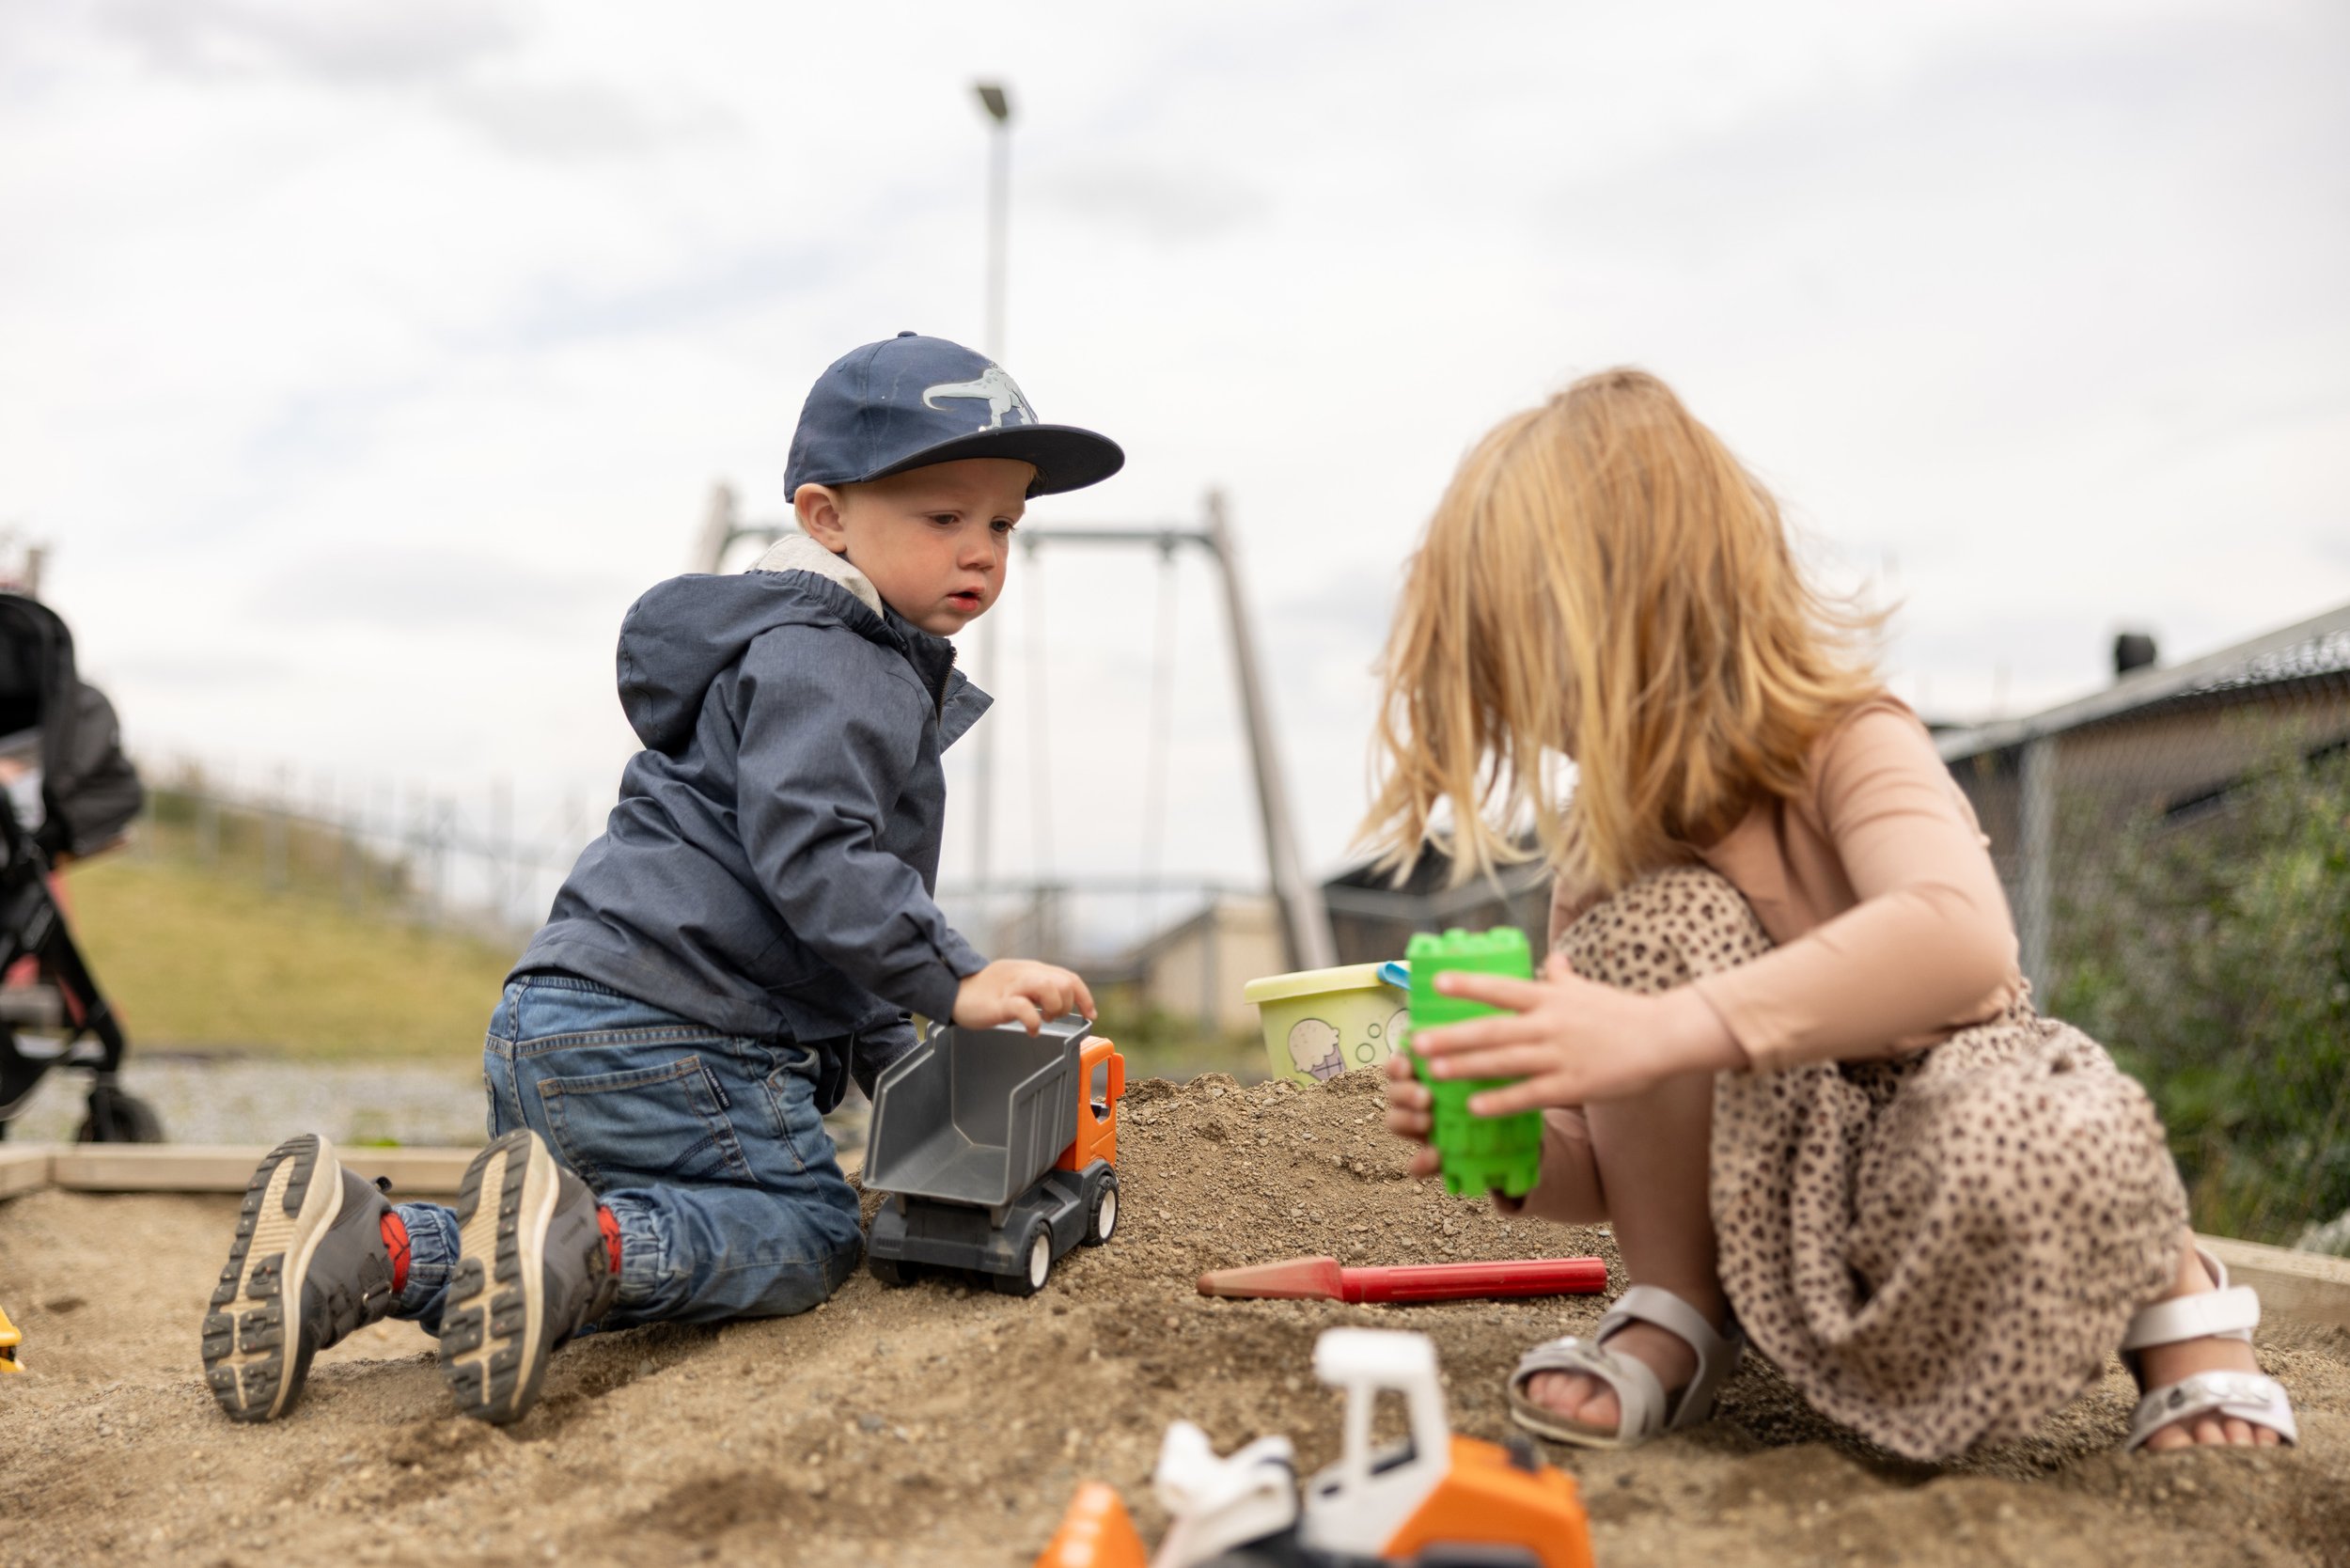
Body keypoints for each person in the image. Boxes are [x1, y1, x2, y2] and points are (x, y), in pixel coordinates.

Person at [1367, 368, 2297, 1461]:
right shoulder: (1609, 847)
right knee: (1641, 934)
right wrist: (1514, 1140)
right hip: (1782, 1182)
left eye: (1537, 676)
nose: (1538, 722)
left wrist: (1662, 1029)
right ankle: (1679, 1310)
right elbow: (1612, 1148)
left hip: (1955, 1117)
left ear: (1649, 610)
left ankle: (2173, 1307)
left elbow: (1957, 934)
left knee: (2050, 1133)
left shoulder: (1845, 737)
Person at [201, 333, 1124, 1426]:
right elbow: (821, 860)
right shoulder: (844, 665)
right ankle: (582, 1242)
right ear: (827, 517)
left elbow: (819, 920)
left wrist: (906, 1069)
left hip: (553, 1018)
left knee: (567, 1236)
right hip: (687, 1038)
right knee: (809, 1234)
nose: (982, 553)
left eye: (1003, 526)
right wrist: (953, 979)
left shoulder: (774, 650)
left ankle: (374, 1248)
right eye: (943, 518)